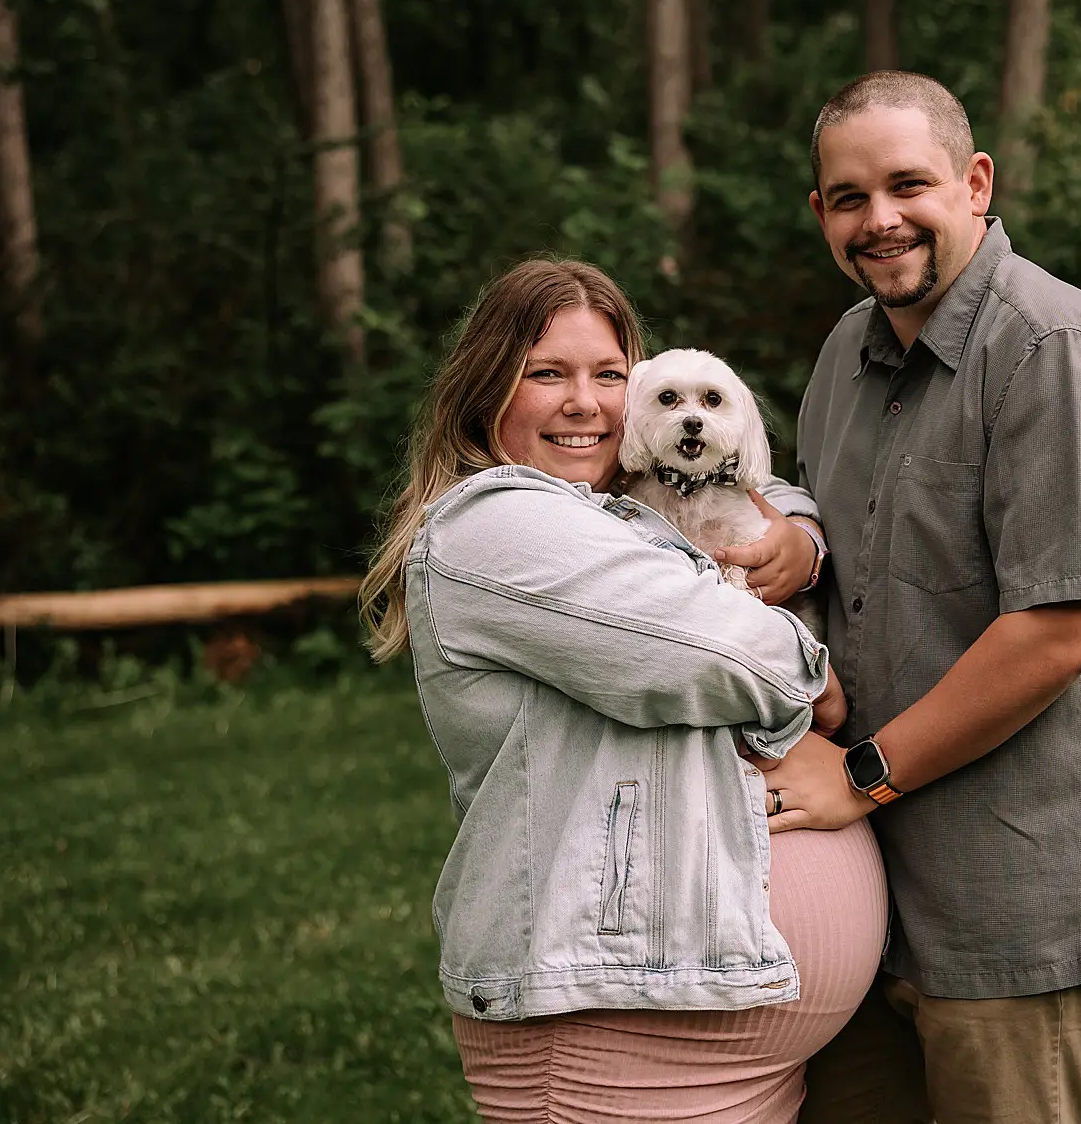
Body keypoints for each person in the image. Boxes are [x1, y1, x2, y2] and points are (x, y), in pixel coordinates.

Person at [721, 72, 1081, 1123]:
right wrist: (802, 541)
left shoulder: (1055, 350)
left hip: (1001, 891)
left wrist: (863, 777)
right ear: (819, 211)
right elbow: (842, 547)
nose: (881, 221)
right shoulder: (845, 354)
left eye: (907, 184)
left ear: (974, 182)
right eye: (847, 197)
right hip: (857, 894)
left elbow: (1059, 632)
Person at [359, 257, 886, 1123]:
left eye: (609, 377)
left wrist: (802, 532)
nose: (587, 403)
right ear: (486, 388)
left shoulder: (609, 513)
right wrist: (816, 679)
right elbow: (720, 653)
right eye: (547, 375)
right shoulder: (499, 521)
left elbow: (741, 490)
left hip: (707, 1032)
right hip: (611, 1043)